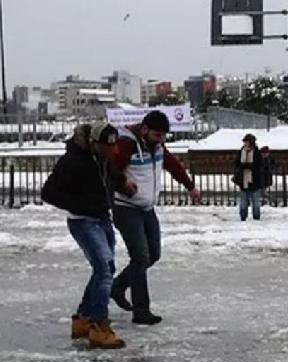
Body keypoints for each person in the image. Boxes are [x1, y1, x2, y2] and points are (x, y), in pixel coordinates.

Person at [41, 123, 128, 349]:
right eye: (107, 147)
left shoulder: (101, 157)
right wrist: (80, 205)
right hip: (83, 221)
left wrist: (122, 183)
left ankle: (82, 318)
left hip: (102, 218)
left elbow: (108, 173)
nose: (112, 151)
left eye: (113, 146)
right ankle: (99, 325)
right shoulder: (72, 161)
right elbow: (48, 192)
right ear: (93, 143)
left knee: (105, 269)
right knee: (104, 270)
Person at [109, 111, 201, 325]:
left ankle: (118, 286)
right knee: (140, 257)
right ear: (144, 130)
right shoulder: (127, 145)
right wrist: (123, 185)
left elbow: (173, 166)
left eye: (163, 136)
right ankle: (141, 310)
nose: (161, 139)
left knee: (153, 255)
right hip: (126, 207)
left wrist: (190, 186)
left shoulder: (158, 146)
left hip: (147, 208)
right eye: (157, 135)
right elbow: (110, 171)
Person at [233, 135, 268, 221]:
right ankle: (243, 216)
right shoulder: (241, 151)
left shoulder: (256, 153)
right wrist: (242, 166)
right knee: (243, 201)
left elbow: (259, 165)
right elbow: (236, 163)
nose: (245, 143)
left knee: (255, 201)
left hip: (254, 180)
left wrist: (249, 166)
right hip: (243, 180)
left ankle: (256, 216)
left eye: (247, 141)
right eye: (245, 142)